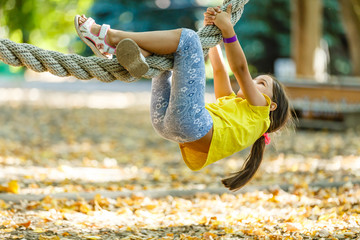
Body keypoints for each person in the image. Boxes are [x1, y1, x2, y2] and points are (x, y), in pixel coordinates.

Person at [74, 4, 291, 191]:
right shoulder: (235, 109)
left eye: (261, 84)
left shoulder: (261, 110)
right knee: (169, 53)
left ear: (272, 105)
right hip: (168, 126)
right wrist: (211, 33)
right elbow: (218, 71)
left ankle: (109, 37)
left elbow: (241, 69)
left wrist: (228, 30)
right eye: (257, 79)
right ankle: (141, 57)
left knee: (186, 39)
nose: (253, 82)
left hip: (193, 125)